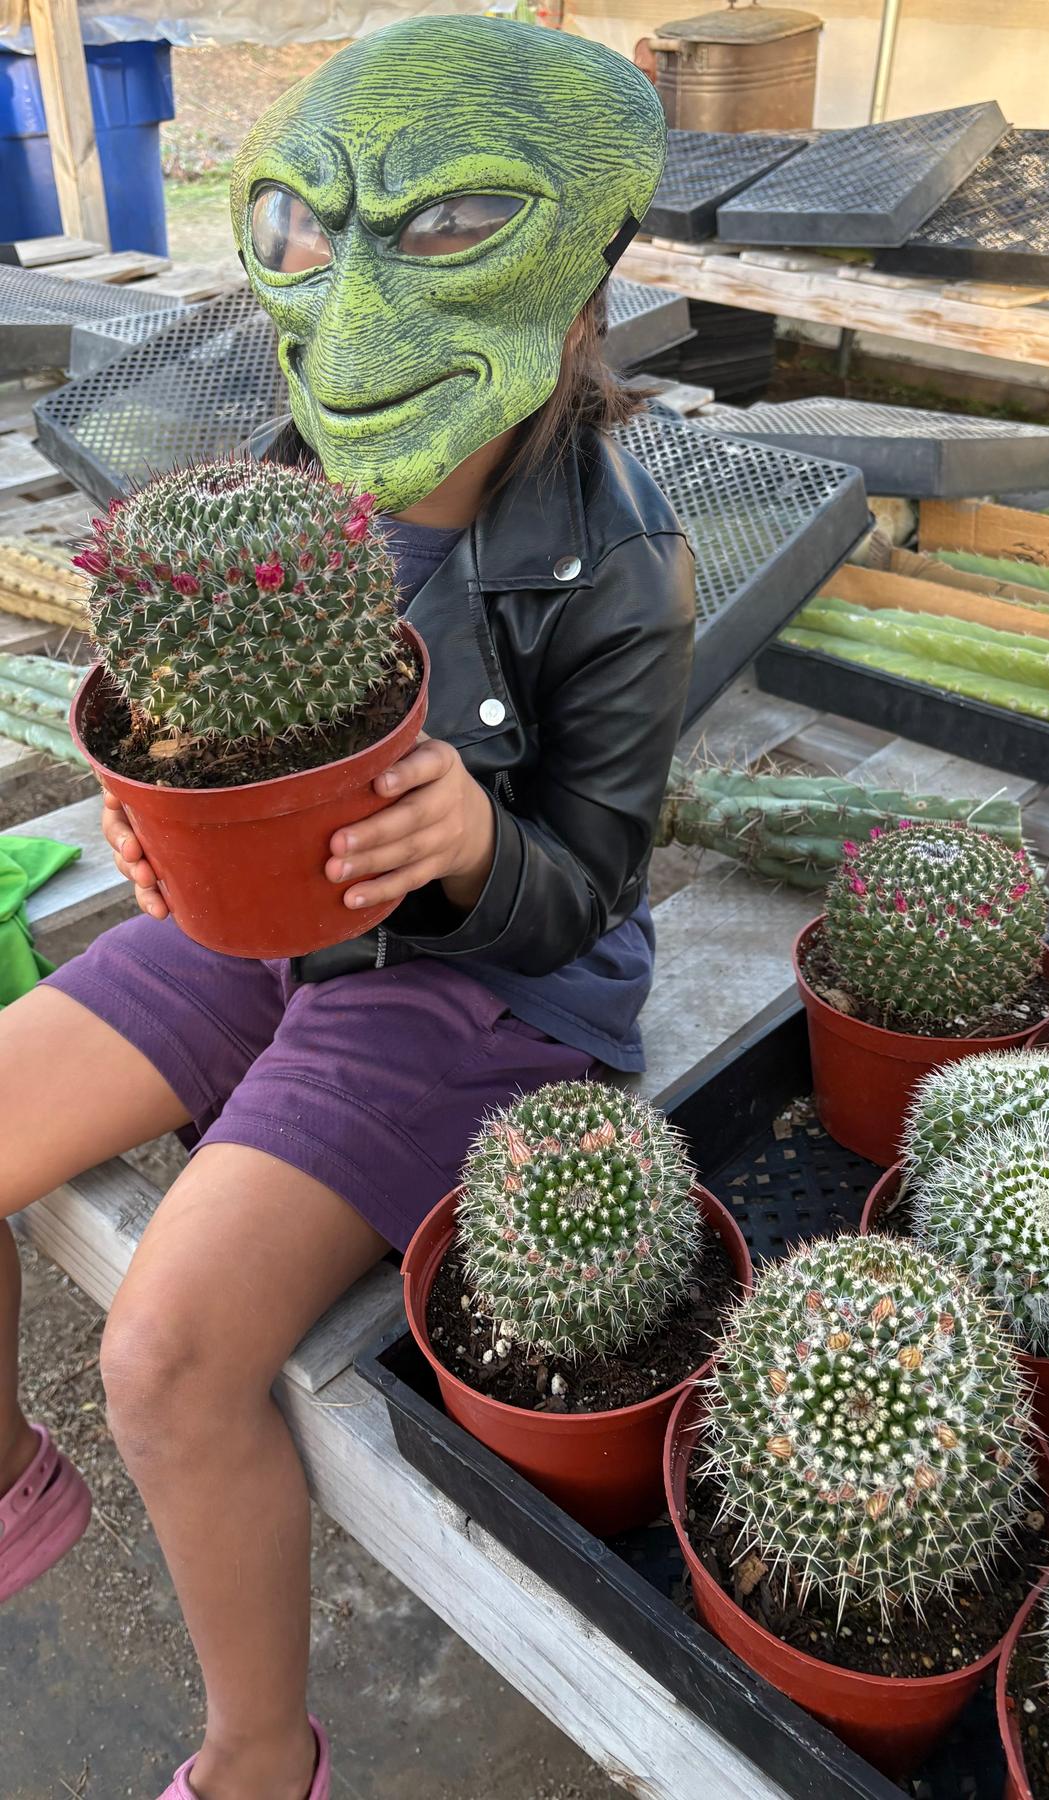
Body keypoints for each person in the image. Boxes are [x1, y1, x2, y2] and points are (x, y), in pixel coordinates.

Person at [0, 20, 692, 1800]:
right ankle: (11, 1479)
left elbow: (587, 896)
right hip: (271, 916)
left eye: (446, 228)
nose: (352, 294)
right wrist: (149, 824)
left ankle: (256, 1754)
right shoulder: (295, 473)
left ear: (575, 263)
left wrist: (471, 840)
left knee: (164, 1358)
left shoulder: (615, 549)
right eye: (307, 231)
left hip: (483, 981)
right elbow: (196, 717)